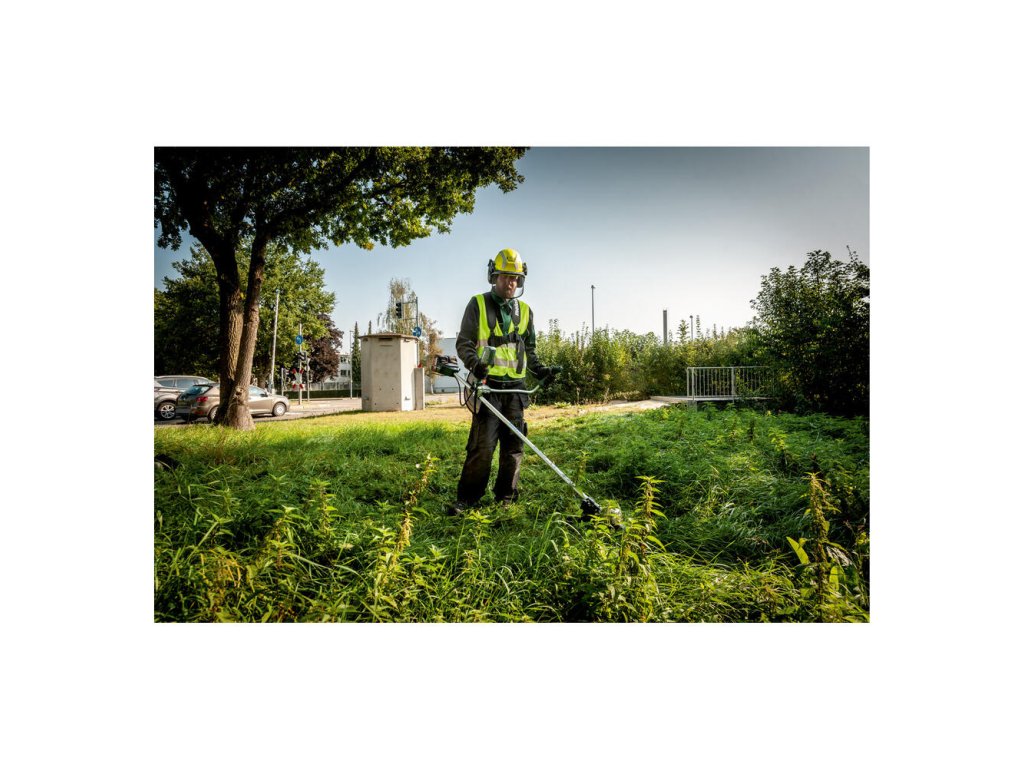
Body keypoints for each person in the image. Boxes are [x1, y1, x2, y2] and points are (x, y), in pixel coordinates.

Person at [449, 248, 560, 514]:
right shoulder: (477, 304)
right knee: (482, 447)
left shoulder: (525, 311)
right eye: (506, 276)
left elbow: (529, 350)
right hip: (488, 387)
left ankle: (506, 498)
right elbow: (464, 343)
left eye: (515, 278)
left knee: (513, 446)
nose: (511, 282)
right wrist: (475, 364)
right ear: (494, 277)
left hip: (516, 390)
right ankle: (467, 500)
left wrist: (540, 370)